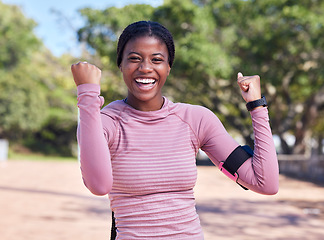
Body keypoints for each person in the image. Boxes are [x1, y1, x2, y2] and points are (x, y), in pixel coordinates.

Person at [71, 20, 279, 240]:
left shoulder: (196, 119)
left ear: (168, 67)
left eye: (157, 60)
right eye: (134, 58)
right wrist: (87, 95)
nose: (145, 68)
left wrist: (257, 106)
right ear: (120, 64)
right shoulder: (105, 122)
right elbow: (99, 185)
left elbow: (265, 183)